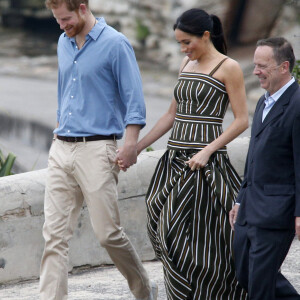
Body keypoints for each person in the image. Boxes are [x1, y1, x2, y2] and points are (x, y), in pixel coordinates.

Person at [39, 1, 158, 299]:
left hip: (97, 148)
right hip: (61, 147)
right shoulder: (63, 42)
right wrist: (57, 133)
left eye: (65, 18)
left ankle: (144, 290)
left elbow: (134, 101)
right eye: (56, 20)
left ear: (81, 8)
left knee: (108, 234)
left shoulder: (115, 44)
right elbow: (64, 92)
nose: (61, 25)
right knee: (54, 237)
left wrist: (130, 144)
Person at [132, 8, 249, 300]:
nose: (184, 49)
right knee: (162, 225)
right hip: (174, 160)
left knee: (209, 239)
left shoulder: (228, 67)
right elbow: (171, 115)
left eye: (187, 42)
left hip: (206, 166)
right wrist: (137, 146)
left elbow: (241, 120)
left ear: (206, 35)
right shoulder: (186, 63)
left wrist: (208, 151)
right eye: (180, 43)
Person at [229, 37, 300, 300]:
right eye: (255, 65)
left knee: (260, 284)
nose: (255, 71)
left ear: (283, 67)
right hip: (249, 207)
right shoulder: (263, 102)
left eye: (262, 66)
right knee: (246, 274)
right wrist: (239, 199)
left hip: (276, 212)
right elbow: (253, 158)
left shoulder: (297, 105)